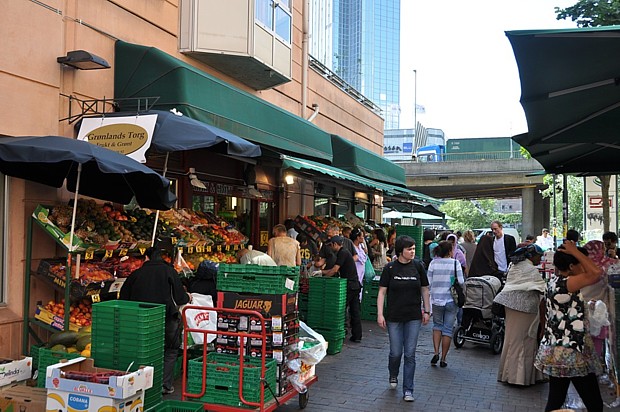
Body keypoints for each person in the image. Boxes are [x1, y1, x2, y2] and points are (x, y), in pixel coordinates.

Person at [535, 240, 604, 412]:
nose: (585, 266)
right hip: (572, 353)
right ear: (572, 266)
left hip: (557, 351)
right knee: (594, 404)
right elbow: (596, 273)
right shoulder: (567, 283)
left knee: (555, 401)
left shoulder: (554, 281)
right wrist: (575, 251)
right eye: (581, 262)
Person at [119, 247, 191, 395]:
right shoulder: (170, 272)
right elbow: (180, 298)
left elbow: (123, 298)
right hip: (167, 317)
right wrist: (188, 297)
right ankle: (165, 385)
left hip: (141, 319)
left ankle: (140, 385)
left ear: (146, 258)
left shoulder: (136, 274)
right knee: (170, 350)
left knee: (144, 350)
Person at [376, 236, 431, 402]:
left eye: (414, 248)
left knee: (410, 354)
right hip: (394, 316)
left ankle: (408, 390)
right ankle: (393, 374)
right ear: (401, 251)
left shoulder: (418, 266)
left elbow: (425, 290)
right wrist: (380, 314)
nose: (412, 252)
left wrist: (427, 311)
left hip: (414, 316)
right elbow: (381, 292)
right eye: (409, 249)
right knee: (395, 352)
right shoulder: (390, 268)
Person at [493, 243, 546, 386]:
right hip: (525, 308)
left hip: (510, 307)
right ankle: (519, 378)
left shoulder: (515, 267)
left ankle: (508, 374)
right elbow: (543, 289)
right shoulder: (530, 270)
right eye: (539, 255)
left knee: (511, 340)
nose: (540, 258)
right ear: (531, 255)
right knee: (525, 340)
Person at [318, 235, 362, 343]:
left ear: (335, 244)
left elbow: (335, 270)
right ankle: (357, 335)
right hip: (355, 285)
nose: (330, 248)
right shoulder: (345, 252)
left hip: (350, 286)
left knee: (341, 309)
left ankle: (340, 332)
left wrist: (323, 276)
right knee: (354, 310)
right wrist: (322, 272)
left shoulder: (342, 253)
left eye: (331, 245)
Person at [426, 241, 463, 368]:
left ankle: (435, 352)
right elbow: (462, 282)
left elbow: (428, 283)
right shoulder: (455, 263)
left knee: (437, 326)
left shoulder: (433, 263)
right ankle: (443, 358)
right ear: (449, 251)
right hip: (451, 300)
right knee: (447, 329)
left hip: (436, 300)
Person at [350, 228, 368, 298]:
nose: (363, 238)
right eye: (362, 236)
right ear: (358, 237)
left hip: (361, 273)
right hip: (355, 271)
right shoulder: (352, 247)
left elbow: (365, 256)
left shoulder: (361, 246)